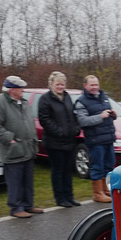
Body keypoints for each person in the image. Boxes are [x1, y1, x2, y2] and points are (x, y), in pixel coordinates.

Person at [0, 75, 43, 219]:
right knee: (15, 180)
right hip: (13, 150)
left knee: (27, 180)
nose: (23, 90)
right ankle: (16, 207)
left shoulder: (23, 102)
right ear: (12, 90)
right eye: (20, 88)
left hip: (28, 148)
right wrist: (10, 139)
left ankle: (28, 205)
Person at [38, 71, 81, 208]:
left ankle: (69, 196)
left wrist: (76, 128)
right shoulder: (45, 99)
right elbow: (44, 119)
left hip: (69, 140)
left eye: (62, 84)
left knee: (68, 170)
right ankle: (60, 198)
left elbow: (72, 115)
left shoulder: (67, 97)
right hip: (54, 141)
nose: (60, 87)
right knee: (58, 170)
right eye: (58, 84)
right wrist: (59, 131)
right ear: (51, 84)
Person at [74, 75, 116, 203]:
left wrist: (113, 115)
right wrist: (100, 116)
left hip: (108, 138)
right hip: (95, 141)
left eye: (96, 84)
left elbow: (109, 117)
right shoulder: (81, 102)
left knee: (109, 165)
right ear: (85, 86)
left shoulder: (104, 97)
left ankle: (106, 190)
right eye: (91, 85)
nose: (94, 87)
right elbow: (83, 121)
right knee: (97, 166)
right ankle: (98, 194)